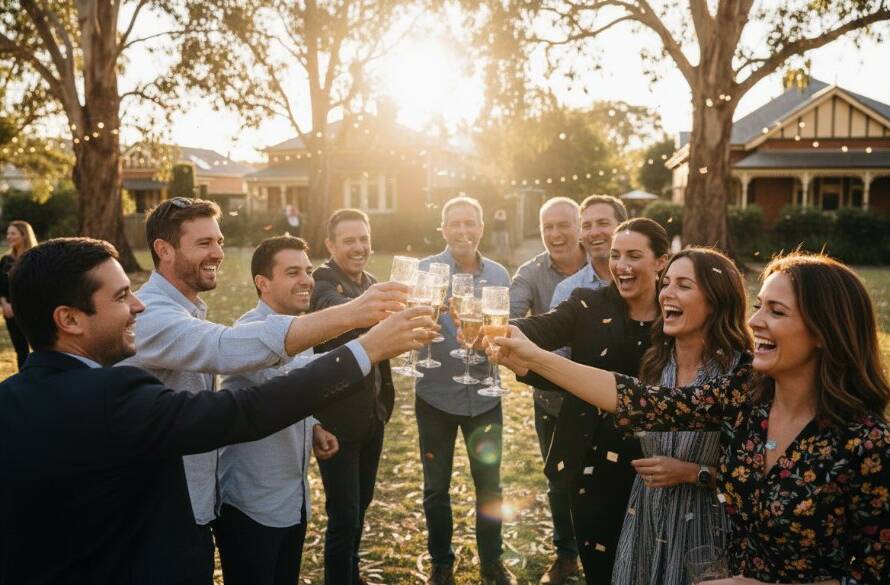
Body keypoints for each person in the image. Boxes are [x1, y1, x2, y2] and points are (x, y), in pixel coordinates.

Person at [0, 237, 433, 585]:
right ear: (69, 319)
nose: (138, 306)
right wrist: (366, 348)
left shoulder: (9, 399)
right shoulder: (113, 394)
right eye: (121, 296)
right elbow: (241, 412)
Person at [493, 251, 890, 585]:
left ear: (824, 330)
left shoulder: (866, 442)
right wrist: (533, 357)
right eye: (758, 307)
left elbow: (874, 571)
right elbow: (642, 401)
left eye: (777, 311)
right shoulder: (746, 397)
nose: (755, 322)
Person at [123, 197, 409, 583]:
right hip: (165, 507)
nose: (218, 253)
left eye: (220, 241)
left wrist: (313, 427)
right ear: (164, 249)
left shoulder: (189, 310)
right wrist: (359, 323)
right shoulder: (152, 314)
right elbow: (231, 353)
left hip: (200, 501)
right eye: (204, 243)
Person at [511, 218, 669, 584]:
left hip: (657, 463)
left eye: (634, 255)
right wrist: (499, 329)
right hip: (591, 461)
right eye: (615, 255)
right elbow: (541, 328)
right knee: (601, 568)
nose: (621, 265)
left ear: (661, 261)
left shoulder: (674, 311)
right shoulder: (586, 302)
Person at [612, 248, 752, 585]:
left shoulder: (740, 376)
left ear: (716, 301)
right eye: (667, 282)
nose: (667, 293)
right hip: (647, 513)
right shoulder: (655, 363)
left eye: (684, 285)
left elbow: (756, 484)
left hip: (706, 528)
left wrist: (693, 473)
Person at [215, 235, 337, 585]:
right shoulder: (249, 334)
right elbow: (285, 388)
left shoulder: (301, 331)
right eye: (293, 272)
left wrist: (313, 425)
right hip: (251, 503)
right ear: (262, 283)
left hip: (293, 498)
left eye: (309, 271)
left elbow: (295, 393)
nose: (307, 280)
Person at [415, 195, 515, 585]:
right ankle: (442, 560)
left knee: (489, 484)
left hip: (486, 396)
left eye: (469, 223)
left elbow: (507, 329)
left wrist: (491, 340)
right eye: (454, 223)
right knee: (436, 488)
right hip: (435, 396)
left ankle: (492, 560)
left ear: (481, 228)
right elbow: (412, 323)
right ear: (443, 229)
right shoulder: (427, 271)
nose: (462, 230)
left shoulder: (499, 275)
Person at [309, 208, 396, 585]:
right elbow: (330, 310)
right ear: (330, 245)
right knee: (343, 517)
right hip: (338, 421)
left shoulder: (371, 280)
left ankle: (352, 575)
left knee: (360, 507)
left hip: (374, 414)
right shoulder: (321, 281)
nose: (358, 247)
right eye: (349, 240)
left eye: (363, 238)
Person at [508, 196, 586, 584]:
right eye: (547, 227)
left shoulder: (604, 263)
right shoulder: (531, 272)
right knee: (559, 479)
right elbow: (510, 313)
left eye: (563, 225)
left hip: (605, 392)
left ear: (580, 224)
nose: (555, 234)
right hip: (553, 397)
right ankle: (567, 554)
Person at [549, 195, 628, 308]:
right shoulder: (567, 291)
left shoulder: (644, 281)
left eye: (603, 223)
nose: (594, 233)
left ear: (623, 227)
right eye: (586, 226)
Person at [0, 220, 37, 369]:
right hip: (9, 312)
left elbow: (35, 287)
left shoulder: (35, 259)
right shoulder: (5, 260)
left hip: (31, 311)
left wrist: (17, 307)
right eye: (8, 233)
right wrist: (5, 304)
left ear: (24, 235)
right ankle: (24, 381)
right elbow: (0, 286)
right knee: (20, 350)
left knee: (39, 349)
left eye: (13, 233)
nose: (9, 236)